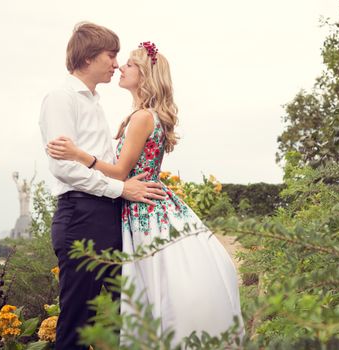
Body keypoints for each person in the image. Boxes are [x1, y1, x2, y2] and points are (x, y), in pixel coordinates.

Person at [47, 41, 245, 346]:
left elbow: (120, 173)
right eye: (117, 60)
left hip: (141, 207)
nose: (120, 67)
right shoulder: (142, 115)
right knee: (151, 292)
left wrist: (79, 154)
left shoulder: (142, 118)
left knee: (148, 288)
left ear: (145, 75)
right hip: (147, 203)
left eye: (128, 64)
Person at [39, 23, 167, 350]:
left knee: (117, 323)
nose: (115, 64)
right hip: (80, 217)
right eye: (111, 56)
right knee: (78, 324)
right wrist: (121, 189)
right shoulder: (61, 99)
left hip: (109, 217)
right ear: (87, 59)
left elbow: (110, 164)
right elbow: (64, 166)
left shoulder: (95, 102)